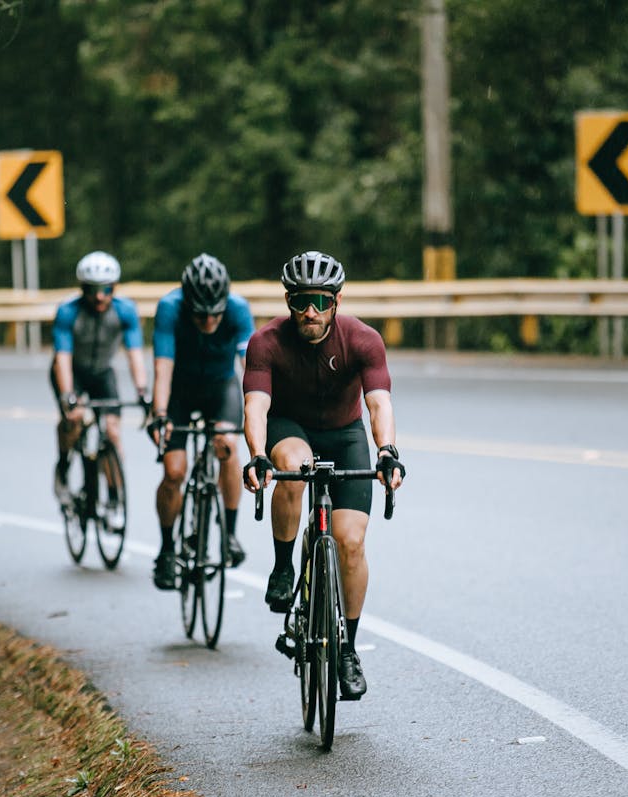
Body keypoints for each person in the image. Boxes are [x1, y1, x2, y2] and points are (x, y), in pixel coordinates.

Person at [241, 250, 406, 701]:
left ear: (335, 301)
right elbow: (256, 406)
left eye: (318, 300)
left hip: (344, 433)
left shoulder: (363, 339)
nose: (308, 311)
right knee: (294, 467)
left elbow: (378, 403)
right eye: (299, 301)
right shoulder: (266, 342)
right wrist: (258, 455)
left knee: (351, 542)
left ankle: (348, 650)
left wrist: (387, 450)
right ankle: (281, 567)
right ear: (288, 301)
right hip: (289, 430)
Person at [147, 253, 255, 591]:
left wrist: (261, 413)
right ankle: (166, 550)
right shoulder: (170, 308)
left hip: (220, 388)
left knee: (227, 445)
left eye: (215, 314)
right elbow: (162, 368)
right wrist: (160, 414)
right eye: (200, 314)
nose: (209, 321)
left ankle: (230, 535)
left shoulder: (238, 309)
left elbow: (250, 369)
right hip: (179, 390)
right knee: (174, 471)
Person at [50, 251, 148, 508]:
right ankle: (63, 464)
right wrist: (68, 395)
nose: (99, 296)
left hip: (103, 372)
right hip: (73, 371)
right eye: (92, 290)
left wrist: (142, 390)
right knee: (73, 418)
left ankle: (115, 496)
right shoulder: (67, 312)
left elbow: (135, 353)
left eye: (106, 289)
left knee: (113, 432)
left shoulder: (126, 311)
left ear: (114, 287)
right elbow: (62, 357)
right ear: (83, 288)